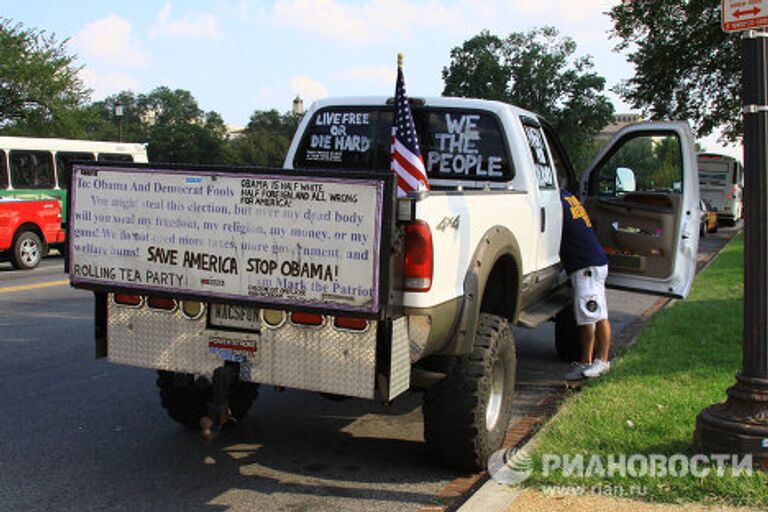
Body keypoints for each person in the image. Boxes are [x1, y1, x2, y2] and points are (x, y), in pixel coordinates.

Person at [560, 188, 612, 380]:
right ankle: (592, 362)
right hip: (593, 261)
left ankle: (595, 362)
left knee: (590, 317)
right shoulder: (568, 196)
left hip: (586, 266)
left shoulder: (555, 201)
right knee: (598, 314)